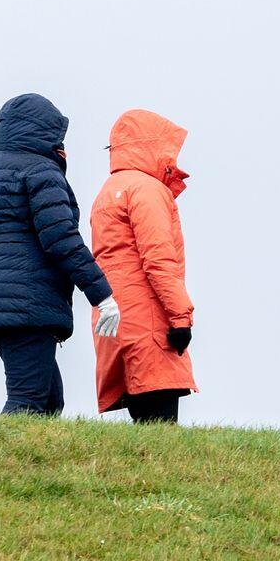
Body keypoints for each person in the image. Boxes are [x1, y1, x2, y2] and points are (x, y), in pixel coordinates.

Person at [0, 93, 120, 414]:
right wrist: (102, 296)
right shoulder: (42, 172)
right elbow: (62, 240)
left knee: (50, 401)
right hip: (26, 305)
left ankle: (30, 448)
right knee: (27, 399)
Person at [89, 108, 196, 423]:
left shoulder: (107, 191)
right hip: (149, 322)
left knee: (145, 425)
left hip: (117, 320)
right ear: (153, 146)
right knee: (162, 431)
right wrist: (181, 318)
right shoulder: (147, 189)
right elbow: (159, 260)